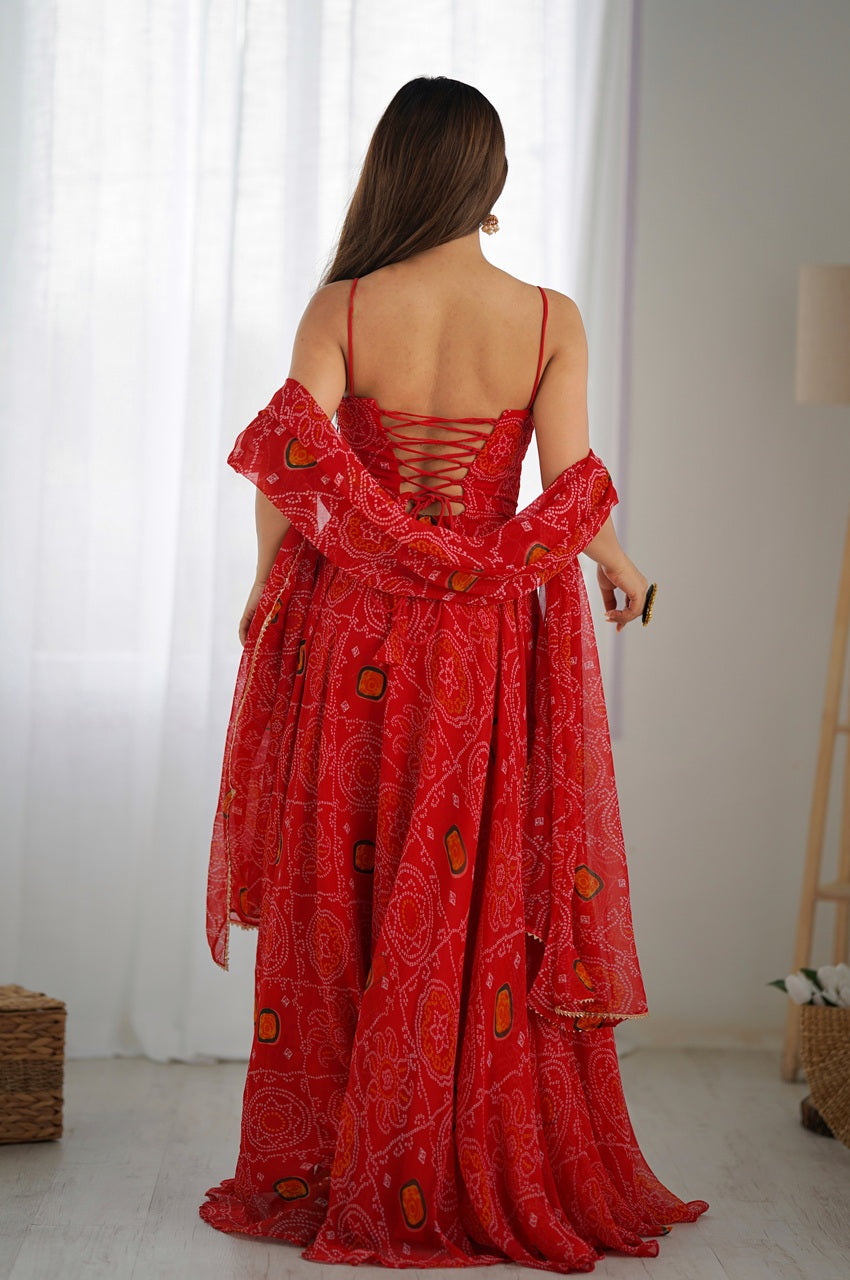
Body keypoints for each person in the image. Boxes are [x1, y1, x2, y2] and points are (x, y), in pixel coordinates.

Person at [199, 76, 708, 1270]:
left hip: (358, 633)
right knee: (470, 894)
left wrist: (259, 597)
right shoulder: (545, 316)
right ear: (487, 176)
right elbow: (569, 476)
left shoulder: (345, 304)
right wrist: (621, 564)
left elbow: (293, 469)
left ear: (395, 168)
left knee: (352, 889)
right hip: (483, 644)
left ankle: (348, 1158)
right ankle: (448, 1143)